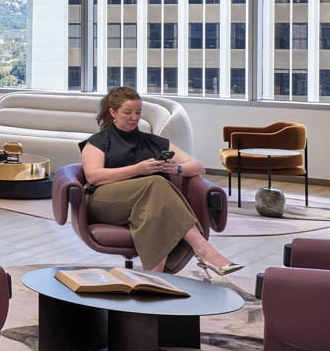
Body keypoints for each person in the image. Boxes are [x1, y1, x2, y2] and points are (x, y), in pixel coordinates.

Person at [80, 86, 242, 277]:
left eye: (138, 113)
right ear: (113, 112)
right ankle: (203, 249)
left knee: (154, 209)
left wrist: (177, 169)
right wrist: (138, 169)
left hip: (144, 204)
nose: (134, 117)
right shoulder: (98, 141)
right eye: (127, 112)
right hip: (103, 202)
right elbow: (93, 176)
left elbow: (198, 166)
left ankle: (154, 277)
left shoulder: (153, 142)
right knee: (156, 182)